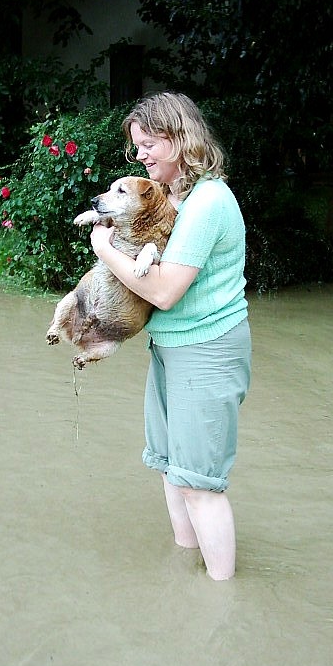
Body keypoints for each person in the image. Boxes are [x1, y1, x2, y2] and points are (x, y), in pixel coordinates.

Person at [89, 92, 251, 580]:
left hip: (207, 351)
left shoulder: (208, 204)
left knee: (201, 484)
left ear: (181, 138)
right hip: (171, 350)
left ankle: (223, 600)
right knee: (170, 468)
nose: (139, 155)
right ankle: (184, 578)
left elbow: (163, 292)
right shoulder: (172, 200)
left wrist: (103, 246)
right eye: (136, 147)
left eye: (148, 144)